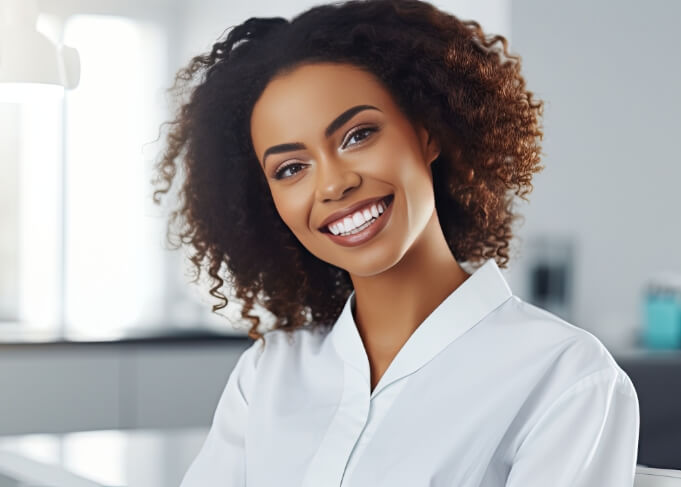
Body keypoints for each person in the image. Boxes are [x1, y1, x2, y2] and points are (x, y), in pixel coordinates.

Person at [152, 0, 640, 485]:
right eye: (291, 168)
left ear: (428, 133)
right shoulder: (266, 376)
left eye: (358, 135)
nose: (332, 185)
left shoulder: (565, 376)